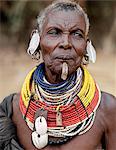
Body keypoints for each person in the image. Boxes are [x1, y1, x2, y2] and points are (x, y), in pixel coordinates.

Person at [0, 0, 116, 149]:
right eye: (54, 32)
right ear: (37, 39)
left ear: (86, 45)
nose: (66, 43)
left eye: (76, 34)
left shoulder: (108, 110)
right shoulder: (14, 109)